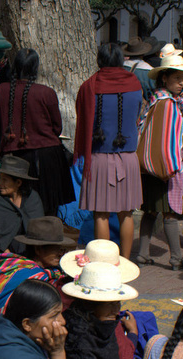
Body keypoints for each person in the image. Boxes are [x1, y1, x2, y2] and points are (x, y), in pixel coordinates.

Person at [74, 43, 142, 259]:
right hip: (128, 157)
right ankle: (126, 261)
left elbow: (82, 118)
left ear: (99, 60)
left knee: (101, 214)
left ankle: (104, 264)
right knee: (127, 214)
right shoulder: (135, 83)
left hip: (99, 158)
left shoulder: (89, 86)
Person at [136, 53, 183, 270]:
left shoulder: (155, 100)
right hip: (166, 167)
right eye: (177, 78)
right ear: (164, 78)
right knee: (170, 212)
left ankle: (143, 254)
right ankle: (176, 258)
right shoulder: (169, 104)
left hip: (149, 167)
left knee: (151, 211)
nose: (181, 82)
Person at [0, 48, 74, 217]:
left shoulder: (2, 90)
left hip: (15, 157)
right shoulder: (46, 93)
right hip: (47, 157)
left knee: (18, 206)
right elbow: (57, 127)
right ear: (35, 68)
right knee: (48, 210)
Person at [0, 216, 75, 329]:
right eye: (56, 249)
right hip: (6, 331)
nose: (61, 253)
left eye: (62, 249)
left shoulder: (19, 264)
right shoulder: (33, 276)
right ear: (38, 249)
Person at [0, 155, 43, 257]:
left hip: (26, 250)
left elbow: (38, 230)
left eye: (5, 180)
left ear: (18, 182)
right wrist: (8, 254)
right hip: (0, 249)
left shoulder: (32, 199)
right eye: (0, 178)